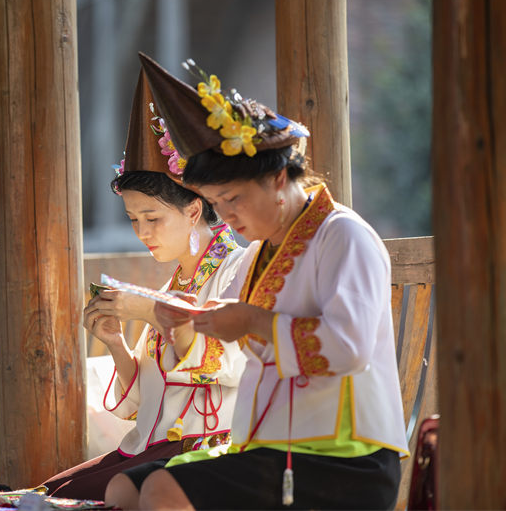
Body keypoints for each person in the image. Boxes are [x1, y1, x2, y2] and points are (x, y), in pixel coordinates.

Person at [110, 53, 409, 510]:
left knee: (163, 490)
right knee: (125, 490)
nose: (226, 216)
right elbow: (228, 330)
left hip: (343, 454)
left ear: (276, 179)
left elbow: (348, 347)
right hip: (274, 442)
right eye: (216, 202)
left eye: (232, 199)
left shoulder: (343, 235)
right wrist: (188, 318)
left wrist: (252, 320)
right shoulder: (257, 255)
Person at [40, 68, 246, 501]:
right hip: (147, 446)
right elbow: (137, 405)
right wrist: (115, 342)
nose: (142, 232)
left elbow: (230, 361)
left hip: (201, 448)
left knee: (66, 501)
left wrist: (148, 311)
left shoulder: (236, 268)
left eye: (152, 218)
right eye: (134, 220)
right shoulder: (176, 279)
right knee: (48, 492)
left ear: (193, 211)